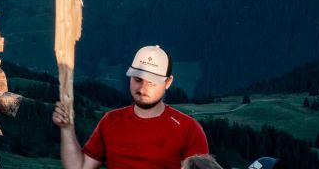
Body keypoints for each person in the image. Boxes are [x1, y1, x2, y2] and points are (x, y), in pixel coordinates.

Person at [52, 45, 209, 168]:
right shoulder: (111, 121)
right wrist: (66, 129)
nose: (142, 89)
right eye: (137, 80)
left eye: (152, 83)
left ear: (168, 82)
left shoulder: (188, 129)